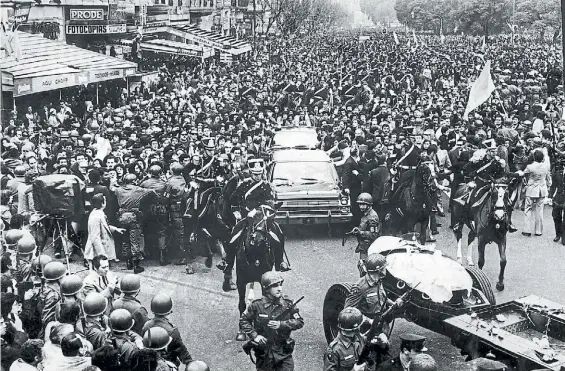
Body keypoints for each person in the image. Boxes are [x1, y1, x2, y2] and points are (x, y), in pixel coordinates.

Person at [239, 271, 304, 371]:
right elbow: (244, 320)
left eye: (280, 285)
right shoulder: (257, 305)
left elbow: (299, 322)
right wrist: (255, 335)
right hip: (264, 352)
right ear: (267, 288)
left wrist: (281, 325)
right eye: (275, 286)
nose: (279, 288)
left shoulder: (288, 304)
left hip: (283, 352)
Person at [114, 173, 156, 274]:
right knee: (135, 240)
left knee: (125, 240)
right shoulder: (138, 190)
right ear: (134, 181)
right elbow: (153, 192)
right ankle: (136, 265)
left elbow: (113, 189)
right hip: (134, 217)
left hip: (122, 217)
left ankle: (128, 262)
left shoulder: (118, 190)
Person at [141, 293, 194, 368]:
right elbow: (181, 351)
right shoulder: (172, 331)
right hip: (167, 364)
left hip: (148, 361)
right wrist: (192, 364)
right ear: (169, 311)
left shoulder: (147, 325)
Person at [84, 194, 125, 268]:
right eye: (105, 200)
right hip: (96, 254)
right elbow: (95, 237)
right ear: (102, 203)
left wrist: (115, 229)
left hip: (101, 251)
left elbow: (104, 226)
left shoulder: (99, 213)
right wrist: (102, 255)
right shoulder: (95, 216)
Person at [518, 148, 552, 236]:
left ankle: (527, 230)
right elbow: (549, 179)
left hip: (531, 189)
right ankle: (538, 230)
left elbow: (523, 174)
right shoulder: (546, 166)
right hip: (542, 189)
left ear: (534, 157)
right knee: (539, 210)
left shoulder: (530, 167)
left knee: (528, 208)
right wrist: (548, 185)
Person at [140, 164, 169, 266]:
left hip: (147, 210)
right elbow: (167, 197)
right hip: (161, 209)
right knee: (162, 231)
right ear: (161, 173)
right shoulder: (164, 184)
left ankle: (148, 253)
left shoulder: (144, 184)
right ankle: (162, 255)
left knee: (147, 230)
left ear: (150, 173)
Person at [350, 193, 380, 275]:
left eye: (363, 204)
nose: (361, 207)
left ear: (369, 205)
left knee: (367, 270)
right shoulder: (366, 214)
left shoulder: (372, 217)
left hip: (368, 248)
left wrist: (360, 233)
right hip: (363, 246)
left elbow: (374, 235)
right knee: (363, 268)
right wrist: (357, 230)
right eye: (360, 204)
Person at [40, 261, 67, 336]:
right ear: (59, 278)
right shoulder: (53, 295)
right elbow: (47, 319)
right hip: (52, 333)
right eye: (64, 276)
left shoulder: (47, 286)